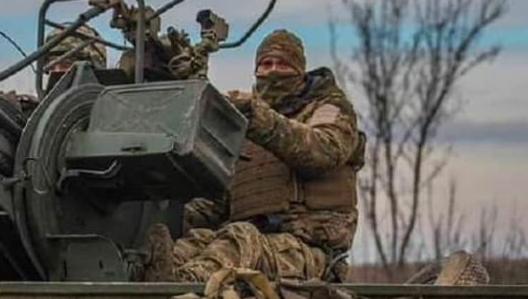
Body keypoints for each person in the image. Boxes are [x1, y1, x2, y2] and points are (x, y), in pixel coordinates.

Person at [144, 29, 365, 282]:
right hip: (252, 240)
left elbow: (323, 151)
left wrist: (259, 118)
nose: (272, 71)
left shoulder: (329, 108)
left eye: (282, 64)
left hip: (309, 252)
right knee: (194, 244)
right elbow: (221, 200)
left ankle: (179, 285)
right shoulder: (248, 128)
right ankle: (157, 278)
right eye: (265, 64)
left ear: (300, 71)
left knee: (240, 241)